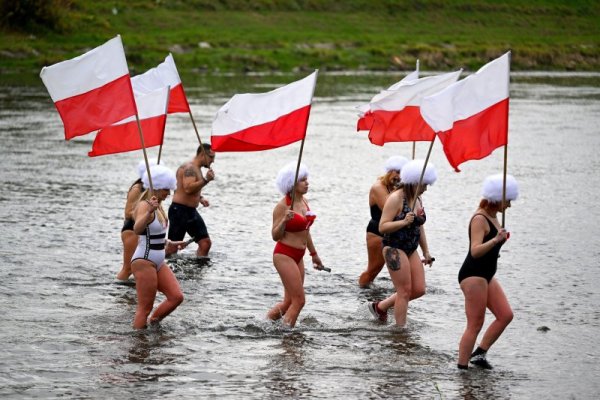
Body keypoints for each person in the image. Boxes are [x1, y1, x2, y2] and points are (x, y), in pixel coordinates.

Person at [457, 174, 518, 370]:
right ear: (496, 198)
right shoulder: (479, 219)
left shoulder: (494, 216)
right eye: (507, 200)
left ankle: (479, 354)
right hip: (473, 274)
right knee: (474, 324)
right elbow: (475, 251)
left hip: (487, 274)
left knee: (505, 314)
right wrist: (495, 241)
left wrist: (497, 242)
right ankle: (462, 369)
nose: (508, 205)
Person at [367, 159, 436, 326]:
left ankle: (380, 307)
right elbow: (383, 226)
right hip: (394, 247)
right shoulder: (396, 198)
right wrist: (403, 222)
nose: (426, 189)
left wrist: (426, 251)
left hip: (411, 248)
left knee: (419, 289)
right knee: (404, 291)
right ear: (413, 182)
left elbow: (419, 226)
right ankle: (400, 332)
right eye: (424, 185)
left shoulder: (417, 199)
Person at [130, 164, 189, 329]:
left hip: (158, 260)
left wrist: (170, 243)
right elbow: (137, 229)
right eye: (165, 190)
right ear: (156, 188)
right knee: (145, 308)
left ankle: (153, 325)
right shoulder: (145, 205)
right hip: (144, 260)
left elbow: (155, 233)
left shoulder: (159, 206)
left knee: (176, 297)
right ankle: (138, 344)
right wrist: (149, 212)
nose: (169, 194)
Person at [267, 162, 324, 328]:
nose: (307, 183)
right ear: (291, 184)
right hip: (284, 255)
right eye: (302, 180)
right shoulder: (282, 206)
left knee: (288, 302)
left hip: (299, 255)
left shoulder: (304, 201)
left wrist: (314, 255)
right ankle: (287, 336)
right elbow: (275, 236)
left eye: (307, 179)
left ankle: (265, 324)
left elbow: (306, 230)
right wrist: (284, 221)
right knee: (299, 301)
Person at [358, 156, 408, 288]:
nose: (398, 176)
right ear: (389, 171)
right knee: (374, 269)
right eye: (396, 172)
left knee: (400, 268)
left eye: (402, 174)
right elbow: (391, 210)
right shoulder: (378, 187)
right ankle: (362, 290)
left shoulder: (395, 188)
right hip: (377, 233)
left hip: (394, 232)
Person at [167, 143, 215, 257]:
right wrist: (206, 180)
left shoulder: (196, 168)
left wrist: (200, 198)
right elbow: (188, 188)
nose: (213, 161)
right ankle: (159, 268)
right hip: (179, 211)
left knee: (205, 243)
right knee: (173, 248)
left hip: (191, 212)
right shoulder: (190, 168)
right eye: (211, 157)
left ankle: (196, 271)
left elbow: (185, 189)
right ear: (203, 154)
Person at [116, 160, 157, 282]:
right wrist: (145, 213)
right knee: (128, 268)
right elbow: (128, 212)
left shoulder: (152, 190)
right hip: (131, 230)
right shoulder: (137, 189)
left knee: (140, 267)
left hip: (143, 231)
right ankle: (117, 290)